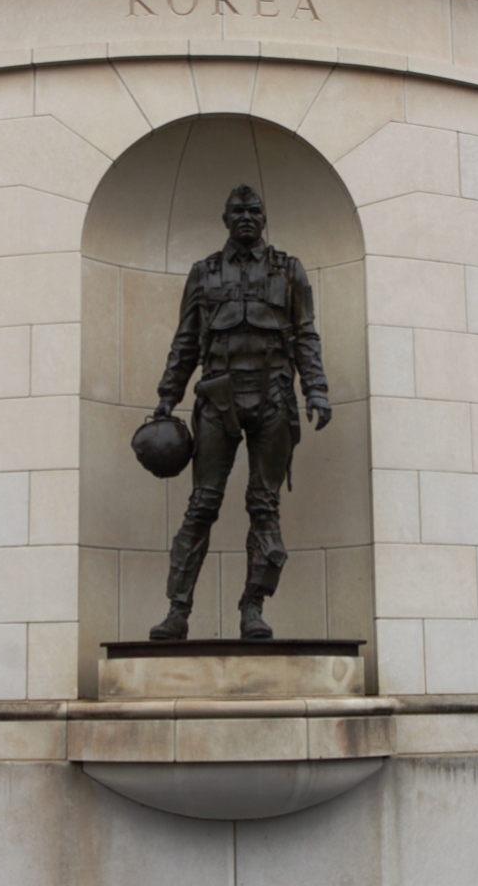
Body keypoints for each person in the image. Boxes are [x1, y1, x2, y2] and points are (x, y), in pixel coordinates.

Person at [150, 185, 331, 640]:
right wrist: (168, 396)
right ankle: (178, 609)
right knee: (202, 505)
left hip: (273, 397)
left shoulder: (289, 271)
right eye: (238, 211)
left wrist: (316, 389)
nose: (247, 217)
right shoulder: (203, 273)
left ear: (264, 218)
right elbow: (186, 340)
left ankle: (253, 606)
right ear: (225, 218)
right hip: (217, 398)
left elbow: (306, 335)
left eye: (255, 210)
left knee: (264, 506)